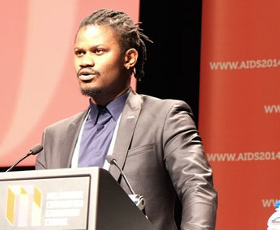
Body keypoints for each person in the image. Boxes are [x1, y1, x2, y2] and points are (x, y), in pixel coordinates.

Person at [35, 8, 217, 230]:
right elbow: (39, 212)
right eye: (80, 53)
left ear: (129, 58)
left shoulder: (164, 117)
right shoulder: (54, 136)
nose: (85, 61)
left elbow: (196, 188)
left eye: (98, 51)